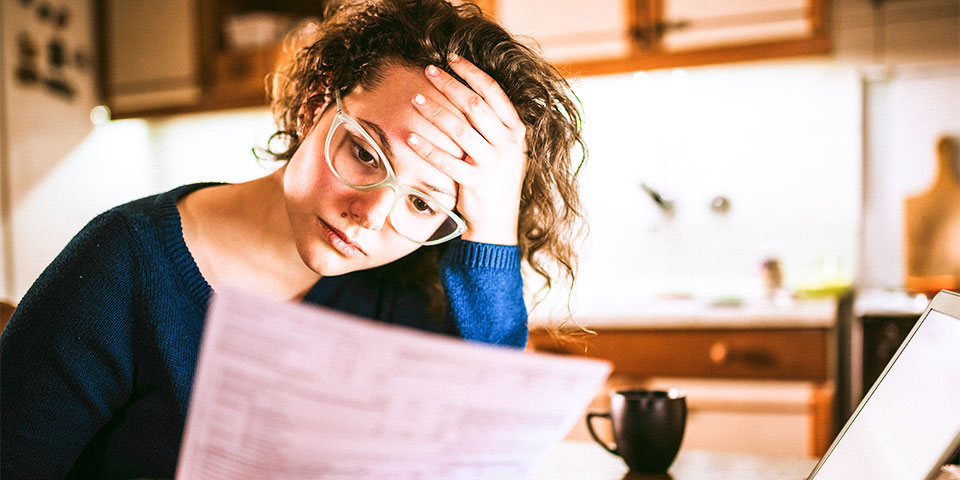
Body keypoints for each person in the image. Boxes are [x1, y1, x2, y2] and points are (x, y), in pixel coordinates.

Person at [0, 0, 586, 478]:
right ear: (314, 107)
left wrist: (494, 233)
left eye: (422, 202)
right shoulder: (121, 266)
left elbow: (486, 443)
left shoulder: (401, 294)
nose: (370, 216)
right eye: (363, 152)